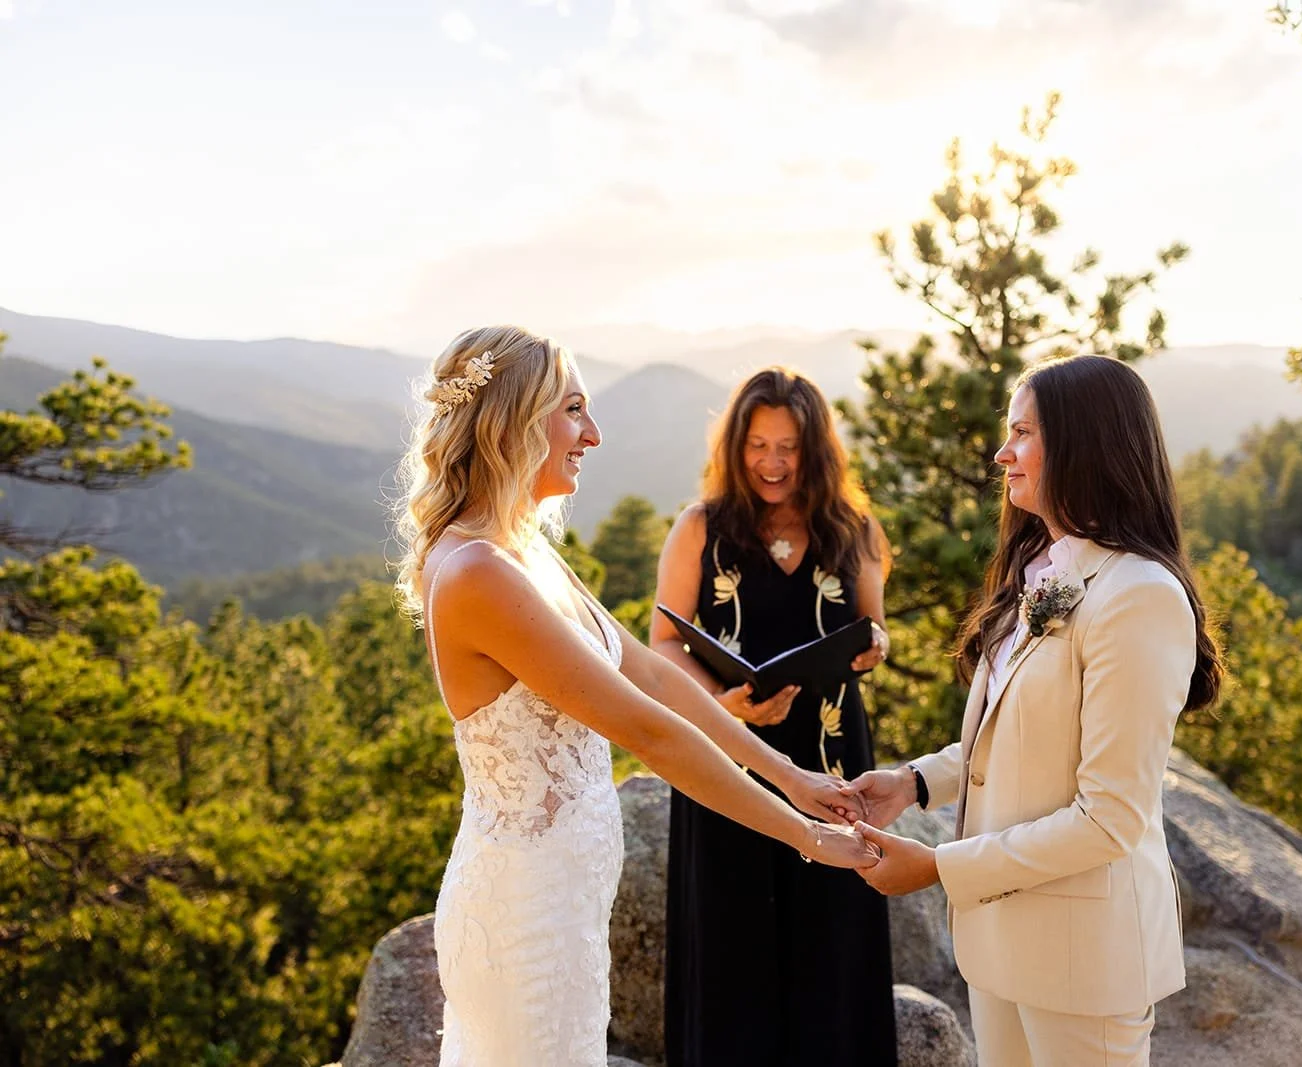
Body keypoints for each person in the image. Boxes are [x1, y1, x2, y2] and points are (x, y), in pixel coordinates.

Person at [393, 328, 876, 1067]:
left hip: (565, 911)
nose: (594, 432)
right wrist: (805, 836)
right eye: (575, 409)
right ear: (516, 420)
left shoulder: (525, 554)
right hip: (524, 918)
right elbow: (646, 729)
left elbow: (652, 674)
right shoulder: (477, 574)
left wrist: (795, 777)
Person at [844, 355, 1223, 1067]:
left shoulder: (1138, 595)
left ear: (1084, 443)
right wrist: (912, 782)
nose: (1001, 451)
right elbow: (1020, 738)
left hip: (1084, 961)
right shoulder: (1048, 571)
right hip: (1003, 945)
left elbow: (1108, 816)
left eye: (1022, 432)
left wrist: (936, 866)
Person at [650, 367, 899, 1067]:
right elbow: (663, 643)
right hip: (726, 752)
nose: (772, 462)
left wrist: (873, 646)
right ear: (737, 446)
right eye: (759, 444)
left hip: (832, 756)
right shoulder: (701, 528)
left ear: (815, 450)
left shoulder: (854, 530)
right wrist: (721, 706)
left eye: (788, 446)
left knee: (833, 931)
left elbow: (872, 628)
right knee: (730, 935)